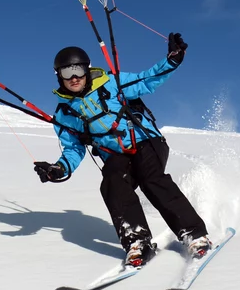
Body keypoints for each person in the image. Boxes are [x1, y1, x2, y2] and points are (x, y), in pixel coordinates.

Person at [32, 33, 211, 268]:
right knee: (111, 181)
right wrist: (58, 169)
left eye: (77, 70)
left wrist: (172, 60)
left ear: (87, 69)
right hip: (116, 156)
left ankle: (193, 234)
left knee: (151, 179)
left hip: (147, 142)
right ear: (59, 77)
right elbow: (73, 149)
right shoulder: (64, 114)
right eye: (67, 72)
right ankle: (137, 242)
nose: (74, 77)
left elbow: (147, 80)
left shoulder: (111, 82)